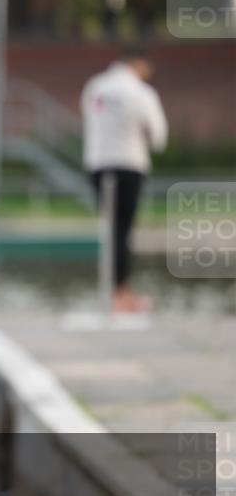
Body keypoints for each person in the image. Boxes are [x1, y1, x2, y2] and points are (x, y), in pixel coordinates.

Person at [81, 45, 168, 313]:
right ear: (140, 65)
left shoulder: (95, 87)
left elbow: (88, 118)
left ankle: (117, 290)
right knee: (123, 230)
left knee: (111, 230)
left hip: (98, 165)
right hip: (129, 165)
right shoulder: (142, 93)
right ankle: (121, 294)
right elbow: (159, 138)